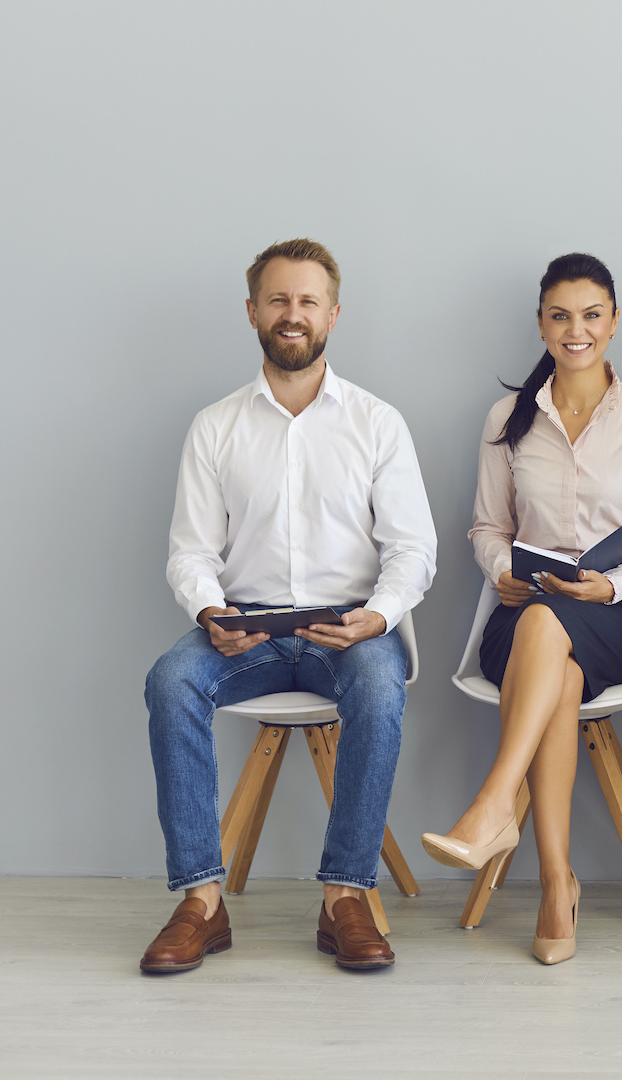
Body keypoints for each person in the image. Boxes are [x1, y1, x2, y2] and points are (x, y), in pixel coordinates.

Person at [142, 239, 437, 974]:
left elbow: (413, 549)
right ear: (253, 313)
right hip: (248, 627)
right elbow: (190, 552)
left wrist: (380, 614)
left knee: (377, 684)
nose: (293, 314)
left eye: (308, 301)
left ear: (333, 313)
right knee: (170, 680)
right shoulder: (215, 427)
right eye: (278, 300)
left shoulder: (377, 423)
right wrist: (212, 613)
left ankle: (345, 899)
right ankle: (201, 903)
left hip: (350, 625)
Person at [421, 253, 622, 966]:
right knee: (551, 658)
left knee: (553, 633)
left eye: (592, 315)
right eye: (561, 316)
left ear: (614, 322)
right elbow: (485, 527)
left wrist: (612, 585)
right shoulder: (508, 418)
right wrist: (504, 570)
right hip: (528, 610)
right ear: (541, 323)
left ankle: (495, 807)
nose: (577, 330)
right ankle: (556, 884)